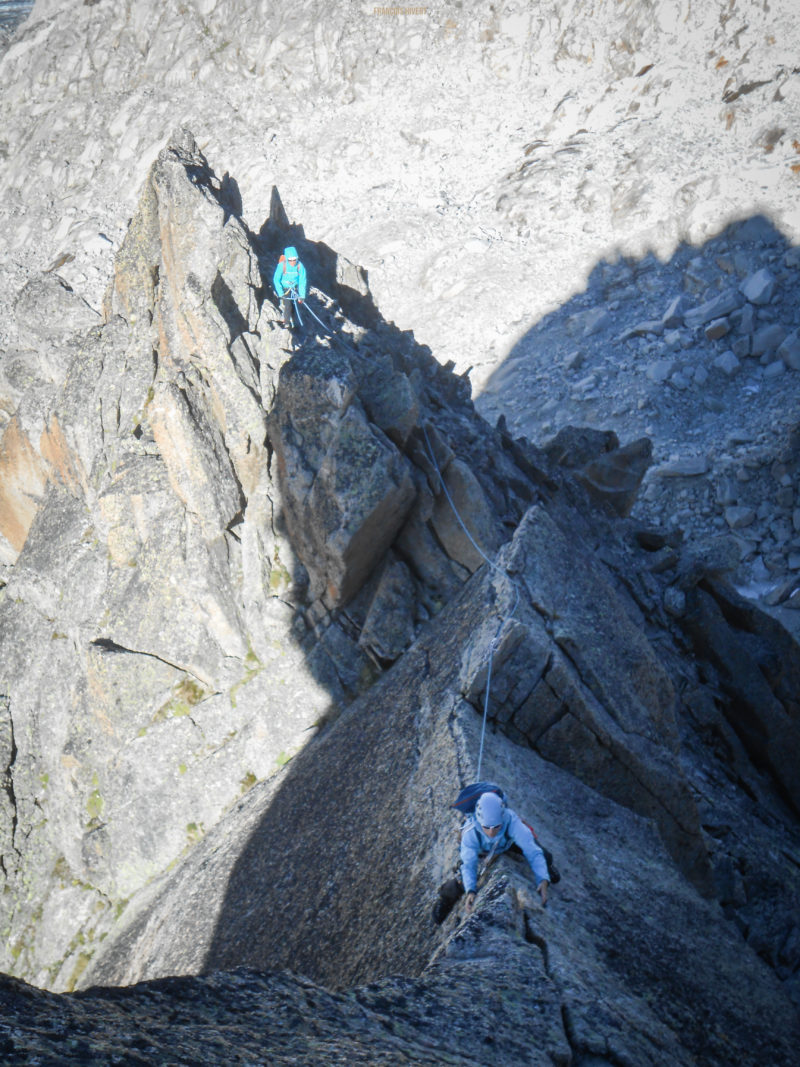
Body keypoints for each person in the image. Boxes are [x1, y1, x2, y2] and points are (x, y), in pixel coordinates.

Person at [433, 791, 551, 924]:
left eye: (496, 827)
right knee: (461, 879)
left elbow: (532, 850)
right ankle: (446, 898)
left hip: (508, 842)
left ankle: (548, 869)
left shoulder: (512, 821)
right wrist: (471, 890)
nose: (491, 832)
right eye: (486, 827)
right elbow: (468, 864)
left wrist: (542, 878)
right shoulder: (471, 831)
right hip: (483, 849)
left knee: (546, 857)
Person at [273, 245, 307, 327]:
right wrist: (281, 294)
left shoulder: (300, 266)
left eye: (294, 259)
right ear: (287, 259)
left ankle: (294, 321)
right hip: (285, 289)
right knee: (288, 305)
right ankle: (287, 322)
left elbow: (302, 281)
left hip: (294, 288)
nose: (292, 262)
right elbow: (276, 279)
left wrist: (302, 295)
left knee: (295, 305)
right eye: (290, 260)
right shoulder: (282, 266)